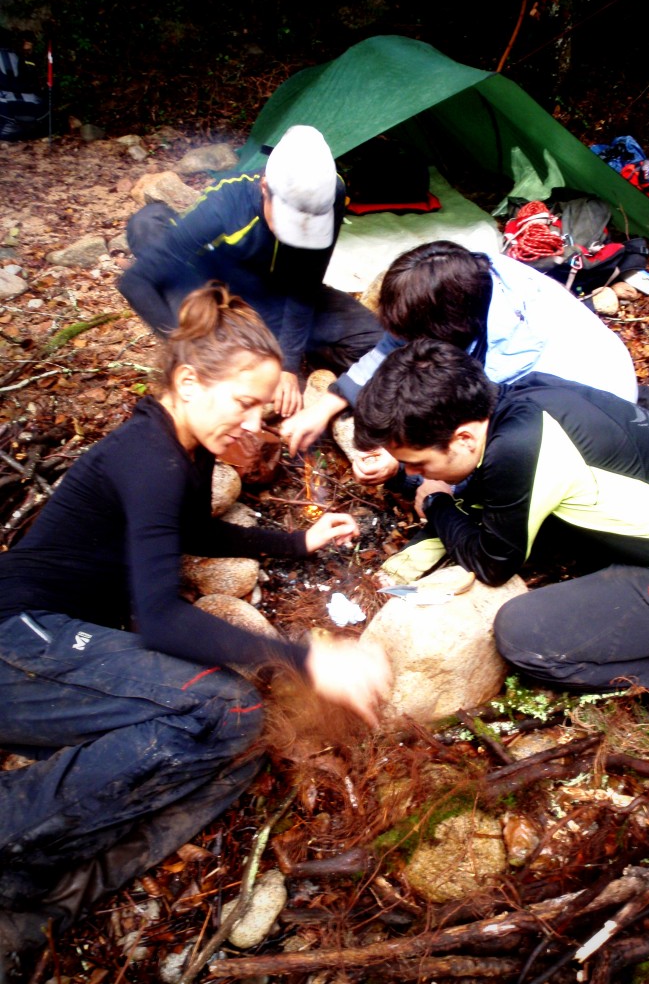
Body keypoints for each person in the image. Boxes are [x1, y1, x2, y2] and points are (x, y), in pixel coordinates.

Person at [0, 283, 391, 958]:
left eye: (259, 409)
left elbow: (190, 531)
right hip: (18, 642)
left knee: (237, 748)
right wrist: (307, 659)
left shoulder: (181, 446)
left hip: (55, 660)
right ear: (186, 381)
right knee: (228, 709)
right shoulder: (145, 455)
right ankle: (13, 831)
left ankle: (54, 893)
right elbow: (159, 618)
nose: (250, 424)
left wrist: (297, 543)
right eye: (243, 403)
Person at [352, 338, 649, 727]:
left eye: (418, 464)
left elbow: (489, 562)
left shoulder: (519, 449)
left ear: (463, 437)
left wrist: (436, 503)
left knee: (524, 635)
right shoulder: (524, 393)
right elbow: (487, 492)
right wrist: (418, 481)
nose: (413, 472)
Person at [282, 240, 649, 478]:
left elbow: (480, 428)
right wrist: (328, 405)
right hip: (577, 367)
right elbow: (394, 345)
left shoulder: (515, 350)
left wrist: (407, 460)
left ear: (449, 333)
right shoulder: (463, 277)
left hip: (589, 399)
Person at [118, 124, 383, 418]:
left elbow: (305, 286)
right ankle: (250, 353)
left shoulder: (329, 194)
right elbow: (136, 281)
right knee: (146, 224)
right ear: (265, 188)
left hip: (280, 296)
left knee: (377, 343)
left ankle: (305, 367)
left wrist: (288, 365)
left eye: (309, 224)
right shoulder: (227, 203)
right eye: (290, 220)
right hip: (223, 297)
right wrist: (185, 349)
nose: (299, 231)